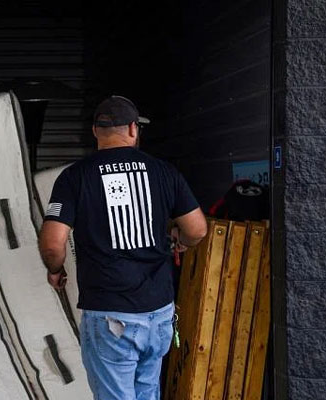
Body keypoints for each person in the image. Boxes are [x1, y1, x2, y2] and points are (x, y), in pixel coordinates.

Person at [38, 95, 207, 400]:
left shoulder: (75, 177)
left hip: (110, 316)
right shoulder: (163, 171)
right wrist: (180, 242)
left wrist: (55, 270)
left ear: (95, 131)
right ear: (133, 128)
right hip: (158, 313)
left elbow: (53, 244)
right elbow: (197, 229)